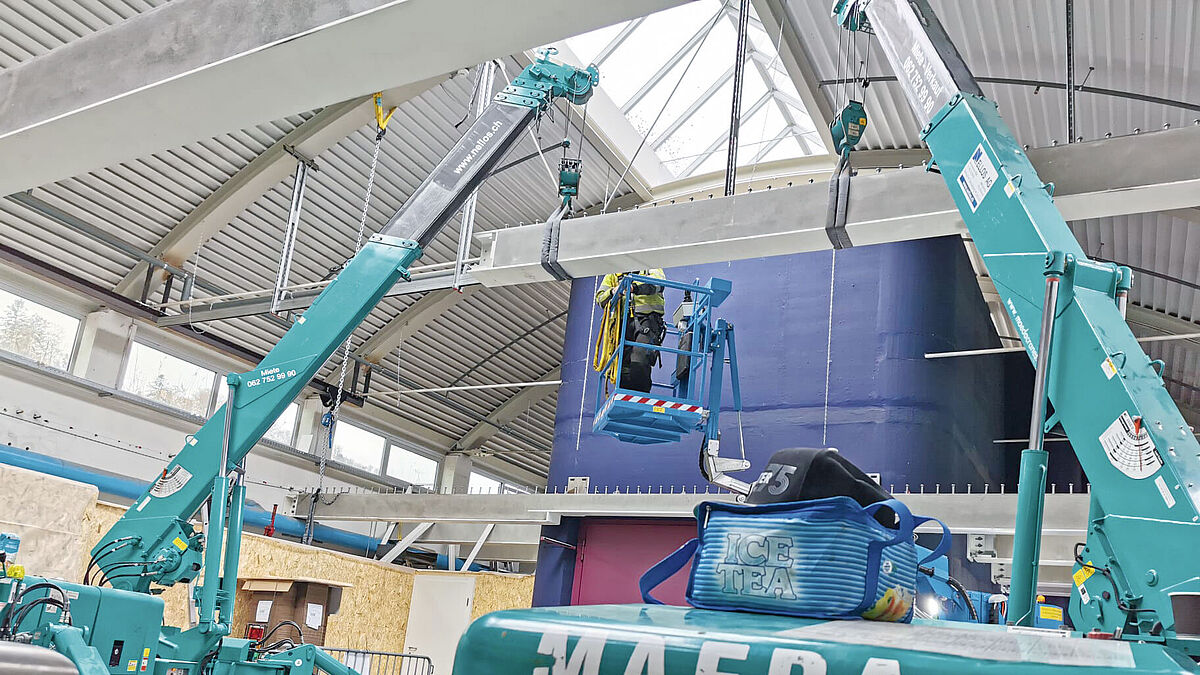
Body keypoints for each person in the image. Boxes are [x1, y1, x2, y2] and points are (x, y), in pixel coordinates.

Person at [595, 269, 666, 393]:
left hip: (647, 319)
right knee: (623, 365)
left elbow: (658, 283)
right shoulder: (613, 274)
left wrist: (634, 287)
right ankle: (624, 394)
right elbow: (600, 298)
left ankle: (640, 396)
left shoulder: (650, 266)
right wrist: (613, 291)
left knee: (640, 358)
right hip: (622, 325)